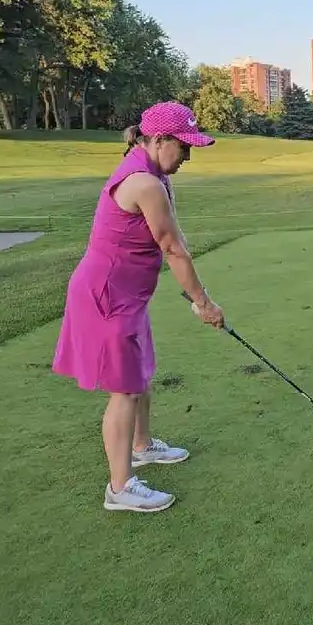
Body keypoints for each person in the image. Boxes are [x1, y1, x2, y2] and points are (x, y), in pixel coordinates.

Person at [52, 101, 224, 513]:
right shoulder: (144, 182)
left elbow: (174, 237)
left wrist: (197, 292)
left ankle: (142, 446)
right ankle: (120, 488)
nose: (188, 156)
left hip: (126, 294)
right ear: (159, 140)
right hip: (106, 295)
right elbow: (172, 249)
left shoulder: (155, 175)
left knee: (140, 371)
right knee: (126, 389)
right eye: (184, 146)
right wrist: (203, 302)